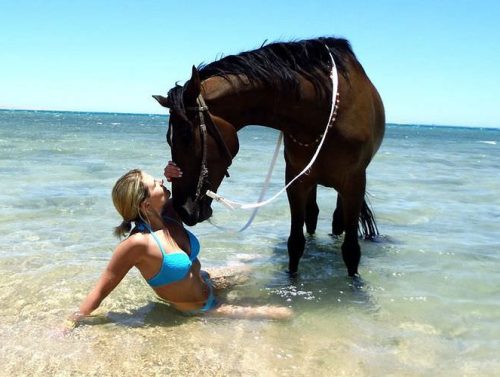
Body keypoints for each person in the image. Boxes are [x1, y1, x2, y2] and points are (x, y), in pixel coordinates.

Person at [68, 162, 292, 326]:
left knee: (254, 272)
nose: (160, 181)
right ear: (146, 204)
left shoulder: (171, 214)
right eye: (155, 183)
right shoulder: (138, 244)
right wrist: (70, 323)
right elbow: (100, 290)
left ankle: (239, 263)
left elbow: (196, 189)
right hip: (203, 307)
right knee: (284, 314)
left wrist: (175, 173)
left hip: (209, 280)